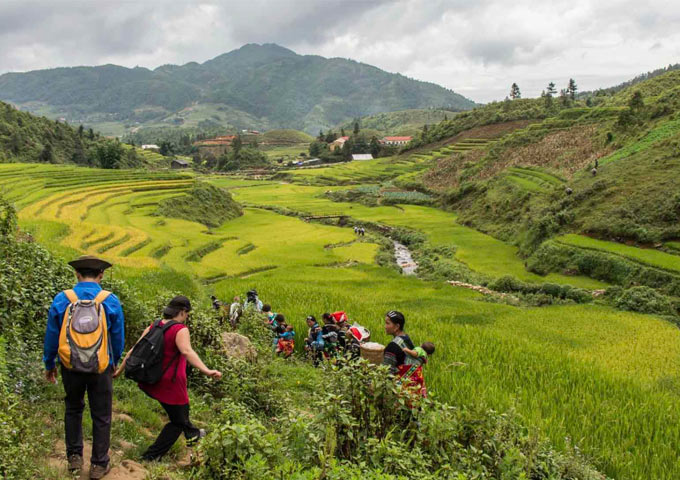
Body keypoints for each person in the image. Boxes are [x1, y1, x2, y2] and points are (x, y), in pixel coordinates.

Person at [43, 255, 125, 479]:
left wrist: (49, 364)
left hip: (70, 365)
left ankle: (74, 458)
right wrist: (114, 361)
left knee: (73, 408)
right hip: (101, 367)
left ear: (77, 274)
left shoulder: (63, 299)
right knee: (102, 414)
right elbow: (117, 338)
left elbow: (51, 336)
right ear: (101, 275)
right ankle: (99, 464)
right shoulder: (110, 300)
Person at [114, 296, 222, 461]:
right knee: (178, 421)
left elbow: (134, 350)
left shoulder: (154, 325)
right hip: (172, 384)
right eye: (187, 313)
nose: (187, 317)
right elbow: (187, 351)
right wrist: (207, 371)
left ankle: (194, 434)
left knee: (180, 416)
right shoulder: (180, 329)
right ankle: (150, 456)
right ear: (182, 312)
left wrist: (119, 371)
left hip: (153, 380)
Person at [382, 310, 427, 397]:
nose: (385, 326)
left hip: (401, 392)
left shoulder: (392, 347)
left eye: (387, 323)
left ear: (397, 326)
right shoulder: (406, 338)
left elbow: (386, 372)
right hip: (413, 386)